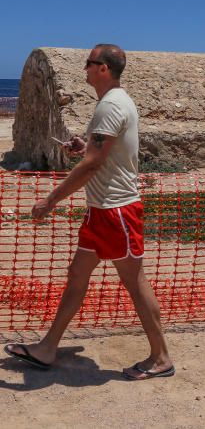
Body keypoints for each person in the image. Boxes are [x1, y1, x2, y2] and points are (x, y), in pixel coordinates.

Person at [4, 44, 174, 380]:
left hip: (116, 211)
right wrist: (84, 148)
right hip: (101, 211)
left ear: (104, 69)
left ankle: (161, 358)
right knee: (77, 277)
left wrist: (50, 200)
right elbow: (101, 153)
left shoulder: (110, 105)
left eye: (89, 63)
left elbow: (94, 164)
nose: (84, 68)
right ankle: (48, 348)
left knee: (135, 282)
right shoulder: (113, 103)